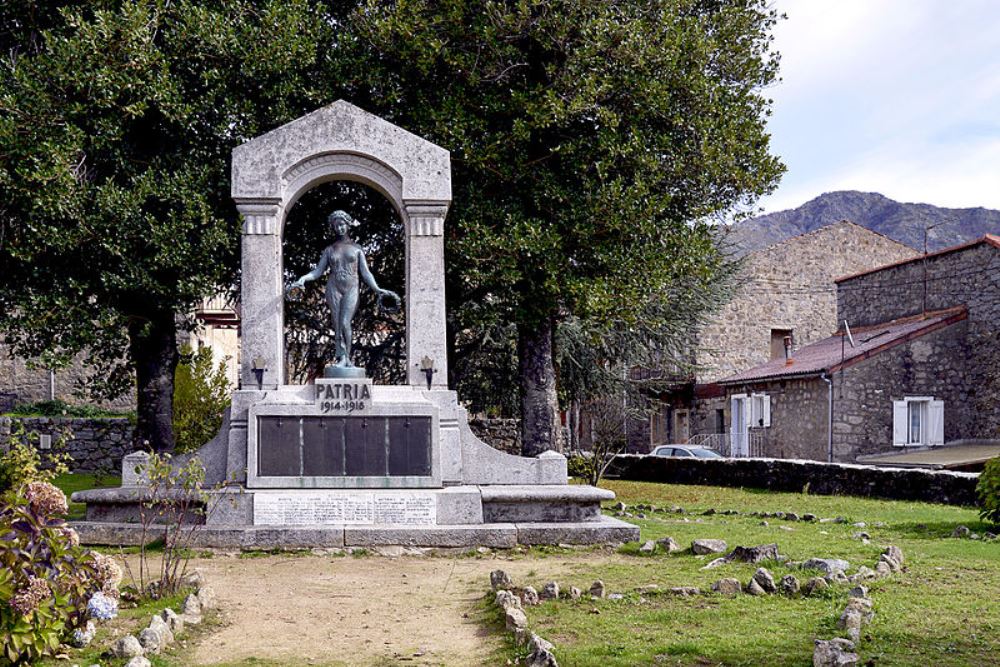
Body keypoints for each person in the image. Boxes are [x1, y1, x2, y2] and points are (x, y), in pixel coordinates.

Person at [291, 210, 399, 368]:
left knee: (344, 322)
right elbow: (318, 271)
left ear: (348, 225)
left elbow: (366, 273)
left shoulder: (357, 248)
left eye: (342, 225)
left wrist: (377, 289)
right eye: (336, 226)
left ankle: (347, 357)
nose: (339, 228)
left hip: (352, 287)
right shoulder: (329, 250)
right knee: (337, 323)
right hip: (333, 287)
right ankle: (342, 358)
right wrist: (303, 278)